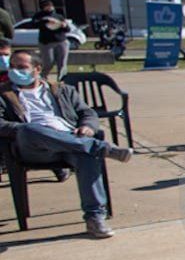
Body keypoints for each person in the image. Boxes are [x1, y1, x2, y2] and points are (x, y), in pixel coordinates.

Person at [0, 51, 133, 237]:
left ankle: (94, 218)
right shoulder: (3, 94)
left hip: (70, 141)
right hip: (33, 147)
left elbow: (88, 113)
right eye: (12, 67)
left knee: (86, 156)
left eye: (21, 67)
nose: (15, 71)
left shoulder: (62, 90)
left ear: (37, 69)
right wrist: (22, 129)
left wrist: (87, 127)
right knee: (31, 129)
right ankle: (102, 148)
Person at [33, 0, 71, 78]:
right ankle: (42, 78)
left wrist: (64, 25)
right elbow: (33, 25)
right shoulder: (38, 16)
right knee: (48, 63)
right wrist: (45, 22)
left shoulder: (59, 16)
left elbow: (67, 29)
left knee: (62, 63)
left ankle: (61, 79)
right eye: (46, 6)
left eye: (50, 6)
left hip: (61, 41)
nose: (49, 7)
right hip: (46, 43)